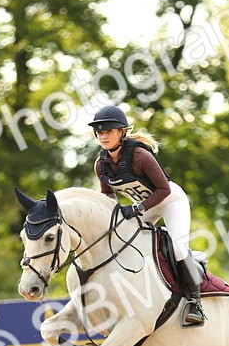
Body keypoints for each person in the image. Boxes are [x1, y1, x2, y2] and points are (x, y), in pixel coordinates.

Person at [88, 104, 205, 327]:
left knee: (178, 248)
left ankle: (195, 302)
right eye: (100, 132)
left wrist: (138, 209)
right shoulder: (101, 165)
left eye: (109, 131)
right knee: (121, 245)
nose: (103, 136)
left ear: (122, 132)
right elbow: (108, 194)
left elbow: (164, 190)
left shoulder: (140, 156)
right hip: (145, 206)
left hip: (171, 202)